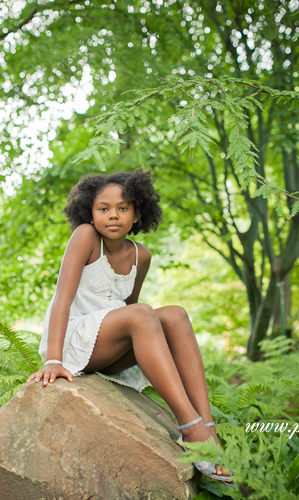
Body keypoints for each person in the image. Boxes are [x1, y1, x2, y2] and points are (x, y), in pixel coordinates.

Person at [27, 169, 231, 483]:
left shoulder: (141, 256)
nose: (113, 215)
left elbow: (128, 309)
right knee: (142, 313)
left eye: (123, 208)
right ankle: (191, 429)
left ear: (137, 215)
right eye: (103, 208)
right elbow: (63, 298)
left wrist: (147, 327)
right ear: (90, 213)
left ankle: (207, 427)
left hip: (110, 346)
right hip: (73, 341)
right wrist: (53, 359)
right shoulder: (85, 237)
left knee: (174, 314)